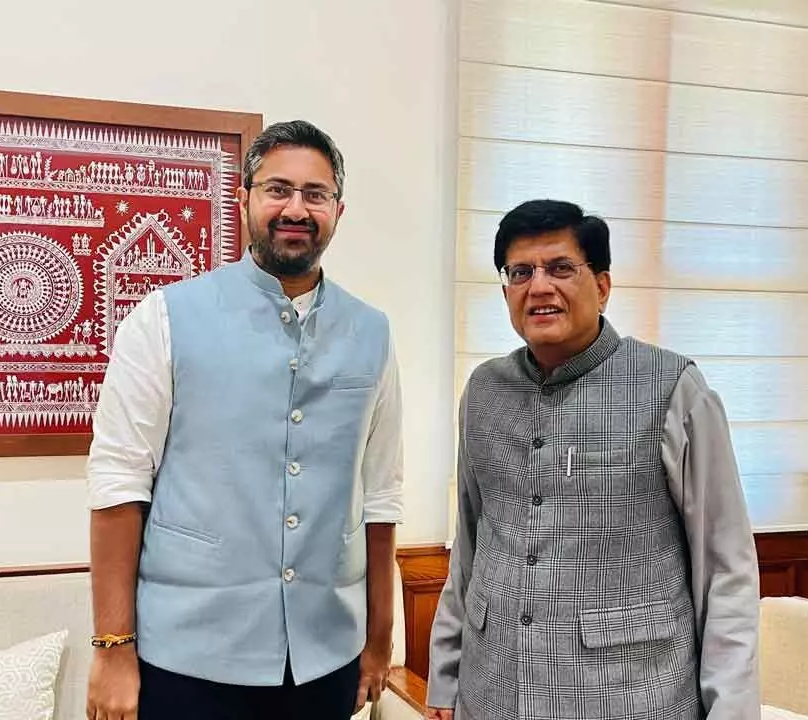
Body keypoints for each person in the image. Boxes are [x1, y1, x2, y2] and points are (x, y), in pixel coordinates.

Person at [84, 119, 404, 720]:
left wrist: (379, 640)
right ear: (246, 200)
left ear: (338, 209)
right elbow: (118, 485)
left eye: (315, 194)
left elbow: (381, 496)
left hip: (324, 657)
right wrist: (112, 649)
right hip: (188, 658)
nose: (296, 209)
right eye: (277, 189)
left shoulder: (373, 333)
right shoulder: (165, 319)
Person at [425, 199, 761, 720]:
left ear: (602, 286)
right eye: (520, 272)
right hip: (493, 694)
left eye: (561, 268)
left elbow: (727, 569)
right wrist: (444, 680)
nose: (539, 286)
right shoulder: (484, 392)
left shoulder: (673, 389)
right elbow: (471, 546)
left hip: (632, 697)